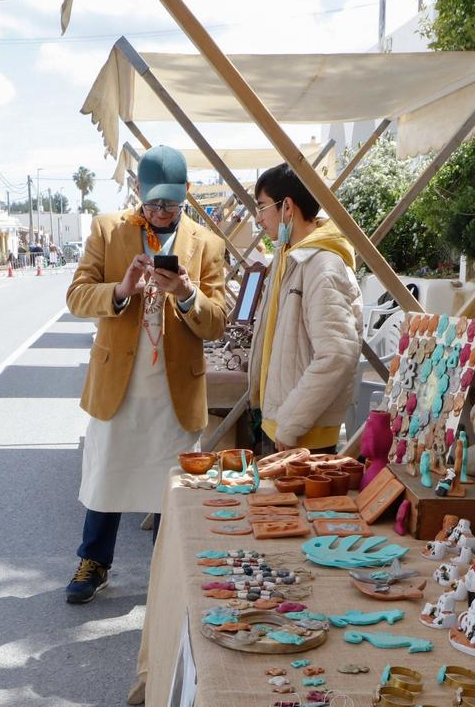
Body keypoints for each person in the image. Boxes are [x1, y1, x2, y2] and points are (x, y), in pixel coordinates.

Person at [63, 145, 229, 603]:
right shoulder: (107, 230)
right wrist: (121, 289)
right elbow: (77, 296)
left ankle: (165, 567)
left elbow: (216, 321)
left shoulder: (207, 244)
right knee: (106, 475)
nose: (160, 212)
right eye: (153, 202)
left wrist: (188, 294)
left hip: (176, 387)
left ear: (186, 196)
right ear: (137, 191)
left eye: (171, 204)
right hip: (119, 380)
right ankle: (94, 561)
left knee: (171, 485)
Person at [248, 162, 363, 454]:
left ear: (287, 206)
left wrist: (290, 425)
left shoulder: (322, 266)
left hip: (302, 437)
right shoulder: (291, 257)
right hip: (285, 427)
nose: (258, 218)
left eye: (262, 207)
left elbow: (337, 353)